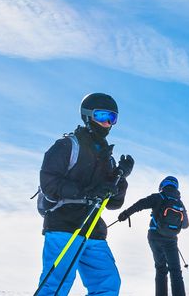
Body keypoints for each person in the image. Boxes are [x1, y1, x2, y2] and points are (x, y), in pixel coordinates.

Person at [35, 93, 134, 296]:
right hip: (64, 225)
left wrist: (120, 176)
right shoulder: (67, 146)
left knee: (108, 284)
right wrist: (87, 192)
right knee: (57, 284)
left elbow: (114, 203)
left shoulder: (108, 158)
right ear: (88, 116)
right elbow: (49, 183)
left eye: (112, 118)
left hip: (93, 229)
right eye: (102, 116)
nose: (107, 123)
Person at [118, 176, 189, 296]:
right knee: (175, 271)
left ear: (162, 185)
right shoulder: (179, 203)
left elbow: (140, 204)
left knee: (161, 269)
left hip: (155, 237)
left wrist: (125, 214)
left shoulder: (158, 197)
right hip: (171, 241)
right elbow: (185, 225)